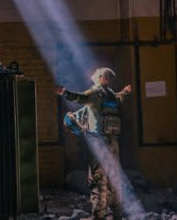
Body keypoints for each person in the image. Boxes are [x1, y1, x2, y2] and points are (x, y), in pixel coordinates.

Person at [55, 67, 131, 220]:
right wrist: (126, 91)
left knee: (98, 180)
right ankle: (118, 214)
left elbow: (79, 98)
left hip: (99, 143)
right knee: (114, 178)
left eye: (98, 73)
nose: (94, 74)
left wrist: (64, 92)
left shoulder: (96, 93)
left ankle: (99, 215)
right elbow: (120, 97)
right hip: (113, 143)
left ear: (103, 78)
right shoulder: (111, 95)